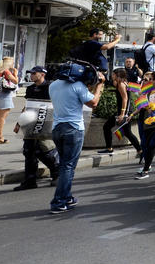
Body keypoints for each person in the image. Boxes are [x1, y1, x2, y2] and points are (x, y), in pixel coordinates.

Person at [48, 61, 105, 213]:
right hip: (73, 129)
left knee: (64, 165)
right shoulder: (77, 86)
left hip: (57, 128)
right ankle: (59, 201)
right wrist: (99, 86)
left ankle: (66, 197)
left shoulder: (53, 85)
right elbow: (93, 102)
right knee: (68, 166)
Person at [12, 66, 58, 191]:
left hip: (46, 122)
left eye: (34, 73)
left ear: (42, 74)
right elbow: (27, 106)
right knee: (28, 150)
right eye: (30, 73)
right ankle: (30, 180)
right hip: (31, 123)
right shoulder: (31, 88)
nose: (31, 75)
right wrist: (19, 123)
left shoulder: (51, 87)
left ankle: (57, 172)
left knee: (43, 150)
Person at [99, 68, 141, 154]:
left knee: (108, 127)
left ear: (118, 75)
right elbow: (111, 83)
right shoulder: (119, 83)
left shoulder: (121, 84)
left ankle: (140, 150)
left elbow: (125, 99)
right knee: (126, 132)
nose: (112, 75)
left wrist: (122, 114)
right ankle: (140, 151)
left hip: (124, 112)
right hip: (123, 111)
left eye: (113, 74)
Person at [0, 56, 18, 143]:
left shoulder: (0, 71)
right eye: (12, 62)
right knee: (2, 118)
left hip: (1, 94)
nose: (13, 64)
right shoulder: (7, 71)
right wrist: (16, 73)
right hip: (5, 95)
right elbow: (16, 81)